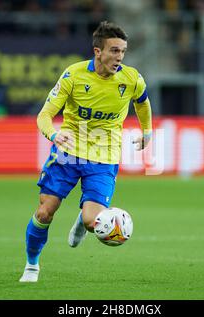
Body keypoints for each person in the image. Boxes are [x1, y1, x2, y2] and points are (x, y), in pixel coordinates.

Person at [19, 21, 153, 282]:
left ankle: (83, 219)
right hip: (68, 153)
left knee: (96, 223)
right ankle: (32, 265)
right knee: (45, 212)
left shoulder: (131, 78)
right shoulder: (74, 75)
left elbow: (143, 103)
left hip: (104, 157)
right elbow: (44, 115)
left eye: (123, 51)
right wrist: (55, 135)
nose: (119, 57)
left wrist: (147, 131)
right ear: (97, 51)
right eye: (114, 51)